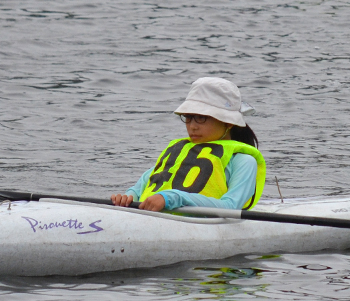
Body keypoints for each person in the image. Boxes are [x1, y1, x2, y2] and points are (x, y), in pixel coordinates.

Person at [111, 78, 266, 212]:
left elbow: (231, 206)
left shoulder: (244, 162)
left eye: (201, 117)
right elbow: (140, 187)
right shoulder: (179, 154)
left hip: (205, 224)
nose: (192, 126)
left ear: (228, 122)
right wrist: (126, 197)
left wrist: (172, 197)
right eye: (188, 117)